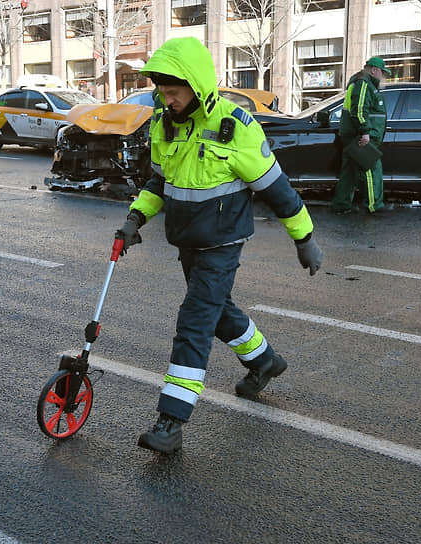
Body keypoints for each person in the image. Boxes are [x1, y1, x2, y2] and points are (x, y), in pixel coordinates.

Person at [115, 37, 324, 454]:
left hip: (223, 242)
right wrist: (135, 218)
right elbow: (160, 181)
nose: (166, 98)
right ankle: (265, 361)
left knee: (194, 320)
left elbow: (277, 190)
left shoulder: (237, 127)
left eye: (173, 90)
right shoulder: (164, 125)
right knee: (215, 310)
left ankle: (171, 421)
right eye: (161, 89)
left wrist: (305, 238)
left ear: (198, 85)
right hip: (188, 241)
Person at [331, 56, 391, 214]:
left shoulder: (361, 82)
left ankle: (341, 205)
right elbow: (359, 111)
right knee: (372, 170)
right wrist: (365, 132)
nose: (383, 77)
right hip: (361, 137)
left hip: (352, 135)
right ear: (374, 70)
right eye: (382, 73)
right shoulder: (364, 84)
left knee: (349, 172)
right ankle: (374, 206)